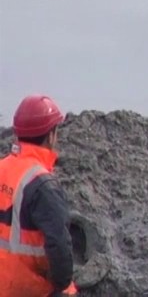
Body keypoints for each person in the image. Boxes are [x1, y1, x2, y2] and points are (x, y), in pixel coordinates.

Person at [1, 95, 77, 296]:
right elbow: (59, 244)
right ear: (51, 135)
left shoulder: (2, 167)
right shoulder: (43, 185)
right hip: (24, 288)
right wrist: (62, 284)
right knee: (68, 290)